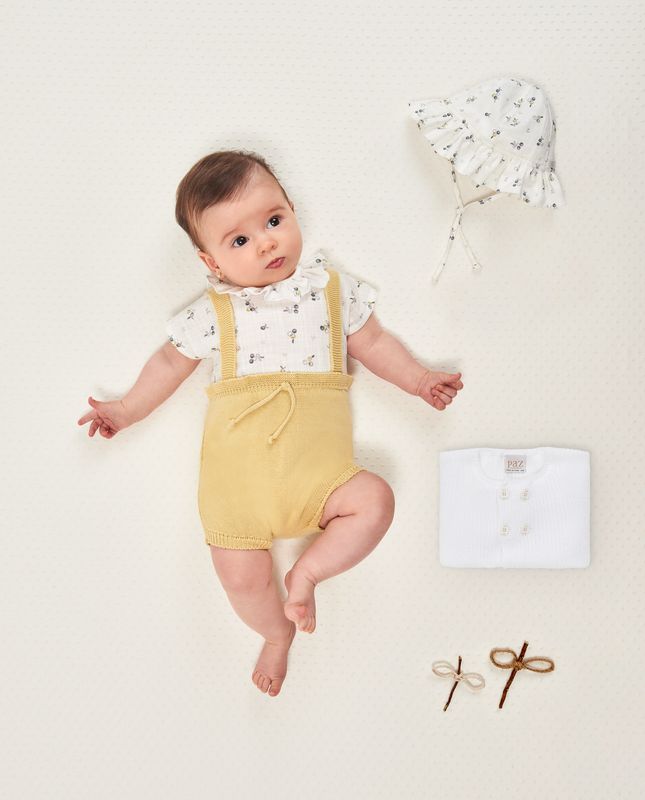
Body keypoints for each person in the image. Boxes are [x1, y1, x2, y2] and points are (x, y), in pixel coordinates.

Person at [77, 150, 464, 697]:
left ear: (292, 212)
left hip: (321, 483)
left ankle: (307, 573)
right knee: (239, 577)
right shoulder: (213, 313)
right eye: (239, 240)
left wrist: (419, 380)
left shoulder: (330, 291)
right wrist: (125, 409)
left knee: (376, 500)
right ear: (211, 262)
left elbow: (374, 343)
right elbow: (167, 365)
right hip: (237, 496)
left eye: (274, 221)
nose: (265, 243)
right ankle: (275, 633)